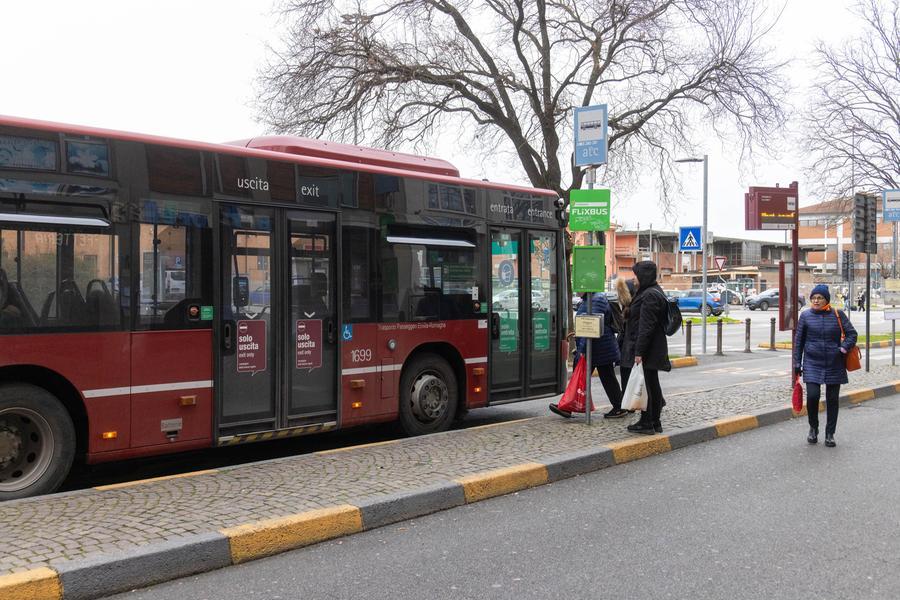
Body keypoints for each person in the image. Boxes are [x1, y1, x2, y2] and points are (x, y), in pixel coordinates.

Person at [793, 284, 857, 447]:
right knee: (813, 396)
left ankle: (830, 434)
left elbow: (852, 334)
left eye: (819, 298)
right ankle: (813, 428)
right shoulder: (805, 316)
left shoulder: (838, 314)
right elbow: (798, 341)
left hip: (834, 362)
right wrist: (796, 363)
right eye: (813, 298)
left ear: (826, 300)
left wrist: (842, 348)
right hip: (812, 362)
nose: (816, 300)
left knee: (832, 399)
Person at [550, 290, 625, 418]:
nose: (575, 289)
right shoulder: (589, 299)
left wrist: (582, 350)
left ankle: (619, 407)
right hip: (598, 349)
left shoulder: (596, 300)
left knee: (585, 378)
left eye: (579, 286)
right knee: (594, 378)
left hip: (598, 349)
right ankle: (619, 407)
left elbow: (590, 327)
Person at [620, 261, 671, 434]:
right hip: (654, 346)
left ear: (643, 276)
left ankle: (647, 422)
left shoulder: (649, 295)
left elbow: (646, 326)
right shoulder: (653, 291)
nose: (634, 279)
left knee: (647, 386)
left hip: (649, 348)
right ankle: (654, 421)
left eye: (636, 275)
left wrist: (639, 352)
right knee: (652, 383)